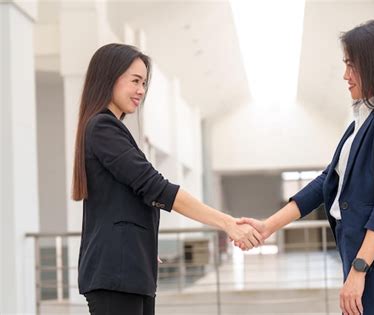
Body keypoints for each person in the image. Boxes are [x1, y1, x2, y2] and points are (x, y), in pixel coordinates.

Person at [237, 20, 374, 315]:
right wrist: (267, 226)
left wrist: (360, 268)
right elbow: (325, 183)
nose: (345, 75)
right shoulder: (358, 124)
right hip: (356, 252)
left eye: (352, 66)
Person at [72, 43, 262, 315]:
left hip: (129, 269)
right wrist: (227, 223)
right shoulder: (103, 127)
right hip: (115, 272)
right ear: (108, 77)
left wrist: (142, 246)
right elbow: (156, 188)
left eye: (144, 83)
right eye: (135, 81)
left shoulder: (111, 129)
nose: (141, 91)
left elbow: (125, 201)